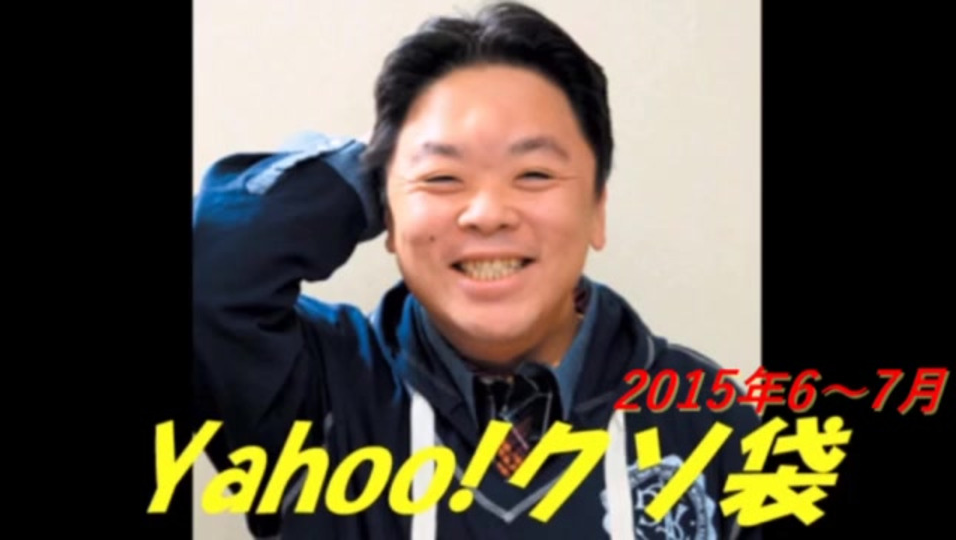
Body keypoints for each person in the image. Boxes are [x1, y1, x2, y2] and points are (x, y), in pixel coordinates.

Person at [193, 2, 761, 539]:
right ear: (386, 212)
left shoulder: (709, 418)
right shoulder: (317, 393)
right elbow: (212, 277)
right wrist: (387, 156)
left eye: (534, 174)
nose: (488, 213)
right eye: (442, 177)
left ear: (597, 209)